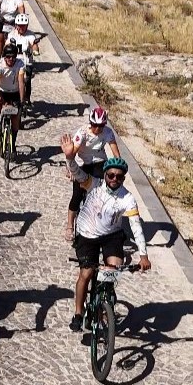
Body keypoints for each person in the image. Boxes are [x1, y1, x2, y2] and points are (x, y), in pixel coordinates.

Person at [60, 137, 151, 332]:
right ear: (105, 174)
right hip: (87, 234)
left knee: (113, 269)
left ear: (124, 178)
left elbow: (136, 226)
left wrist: (143, 255)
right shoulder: (93, 184)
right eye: (111, 175)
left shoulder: (127, 198)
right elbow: (77, 173)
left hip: (111, 235)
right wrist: (69, 158)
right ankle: (78, 313)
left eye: (119, 177)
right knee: (86, 272)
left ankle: (105, 302)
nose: (114, 180)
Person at [65, 107, 121, 239]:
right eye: (95, 125)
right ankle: (69, 226)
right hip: (82, 163)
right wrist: (70, 168)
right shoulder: (82, 133)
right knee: (77, 195)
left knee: (103, 193)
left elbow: (116, 154)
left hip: (100, 163)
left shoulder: (107, 132)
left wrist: (118, 169)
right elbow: (72, 152)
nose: (97, 129)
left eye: (101, 126)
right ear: (91, 123)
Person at [0, 43, 26, 139]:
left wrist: (22, 101)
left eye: (13, 57)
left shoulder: (20, 64)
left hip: (15, 92)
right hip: (2, 91)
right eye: (8, 57)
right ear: (4, 57)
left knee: (16, 120)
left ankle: (12, 142)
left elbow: (21, 82)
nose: (11, 59)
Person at [6, 13, 42, 104]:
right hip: (15, 60)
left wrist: (35, 51)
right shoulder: (12, 34)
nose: (22, 28)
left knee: (27, 79)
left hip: (26, 60)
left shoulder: (30, 35)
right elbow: (7, 45)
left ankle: (27, 98)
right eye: (20, 26)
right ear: (16, 25)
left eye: (24, 26)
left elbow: (34, 44)